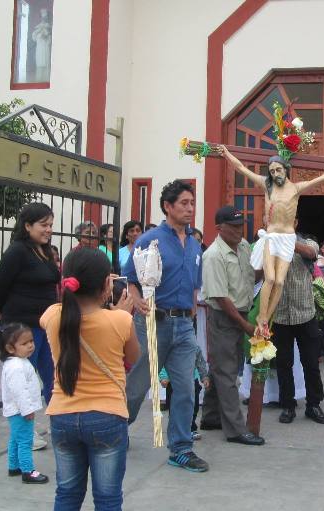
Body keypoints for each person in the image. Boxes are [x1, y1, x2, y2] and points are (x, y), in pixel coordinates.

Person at [41, 248, 140, 509]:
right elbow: (134, 355)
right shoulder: (119, 320)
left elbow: (65, 313)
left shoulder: (53, 316)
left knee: (67, 494)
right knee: (108, 499)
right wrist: (122, 312)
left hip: (62, 415)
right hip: (106, 415)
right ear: (107, 284)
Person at [122, 180, 209, 472]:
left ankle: (181, 449)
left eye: (192, 203)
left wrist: (193, 311)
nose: (189, 208)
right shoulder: (150, 239)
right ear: (167, 207)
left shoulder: (196, 244)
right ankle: (117, 429)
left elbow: (195, 285)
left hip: (184, 324)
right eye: (183, 203)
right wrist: (136, 301)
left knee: (186, 387)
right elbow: (131, 277)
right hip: (153, 322)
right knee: (138, 385)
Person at [221, 147, 324, 336]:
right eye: (272, 171)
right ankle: (262, 316)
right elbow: (242, 168)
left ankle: (266, 318)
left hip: (288, 239)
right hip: (272, 237)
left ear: (285, 169)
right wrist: (226, 153)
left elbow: (322, 179)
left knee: (280, 282)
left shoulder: (296, 188)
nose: (275, 174)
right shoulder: (267, 186)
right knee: (270, 278)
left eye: (278, 170)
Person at [199, 205, 265, 446]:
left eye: (241, 226)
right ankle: (236, 429)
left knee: (224, 366)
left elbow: (251, 278)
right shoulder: (213, 255)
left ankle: (211, 416)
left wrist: (268, 264)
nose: (239, 231)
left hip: (241, 311)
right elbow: (220, 297)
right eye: (234, 227)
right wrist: (245, 325)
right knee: (227, 372)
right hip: (225, 316)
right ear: (220, 228)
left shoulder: (245, 246)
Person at [0, 203, 60, 417]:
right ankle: (25, 430)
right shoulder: (17, 251)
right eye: (43, 225)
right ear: (28, 226)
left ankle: (60, 422)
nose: (48, 229)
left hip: (45, 326)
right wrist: (9, 314)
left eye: (50, 225)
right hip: (23, 327)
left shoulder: (46, 251)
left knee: (54, 377)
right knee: (23, 380)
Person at [268, 221, 324, 425]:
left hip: (306, 314)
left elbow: (312, 252)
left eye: (287, 219)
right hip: (280, 316)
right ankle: (288, 405)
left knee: (311, 363)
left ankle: (314, 404)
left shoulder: (306, 241)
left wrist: (286, 239)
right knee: (284, 364)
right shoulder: (269, 243)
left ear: (294, 222)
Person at [0, 323, 49, 484]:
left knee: (15, 438)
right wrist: (27, 410)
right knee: (25, 441)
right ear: (10, 348)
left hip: (17, 411)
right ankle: (28, 471)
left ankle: (14, 466)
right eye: (24, 344)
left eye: (31, 341)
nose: (31, 346)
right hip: (20, 411)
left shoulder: (18, 362)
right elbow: (19, 391)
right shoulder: (16, 366)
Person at [160, 344, 209, 442]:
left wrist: (204, 376)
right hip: (174, 380)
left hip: (192, 379)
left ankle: (191, 428)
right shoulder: (169, 345)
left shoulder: (194, 346)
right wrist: (163, 376)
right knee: (174, 406)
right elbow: (163, 361)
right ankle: (175, 428)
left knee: (193, 405)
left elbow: (200, 362)